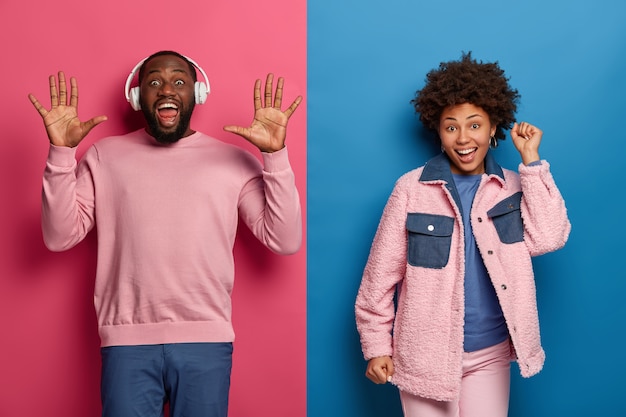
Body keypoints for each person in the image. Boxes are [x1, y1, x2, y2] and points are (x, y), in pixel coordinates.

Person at [28, 50, 303, 417]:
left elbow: (285, 240)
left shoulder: (232, 160)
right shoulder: (104, 156)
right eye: (153, 82)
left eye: (179, 81)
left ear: (197, 93)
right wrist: (61, 153)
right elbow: (58, 236)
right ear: (138, 96)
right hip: (126, 343)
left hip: (206, 342)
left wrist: (276, 157)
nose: (166, 89)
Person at [354, 52, 571, 417]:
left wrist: (532, 162)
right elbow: (379, 277)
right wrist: (377, 346)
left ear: (492, 128)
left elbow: (549, 236)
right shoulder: (411, 189)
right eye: (451, 126)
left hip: (491, 353)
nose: (463, 137)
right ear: (438, 132)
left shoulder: (513, 188)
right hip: (425, 356)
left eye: (474, 125)